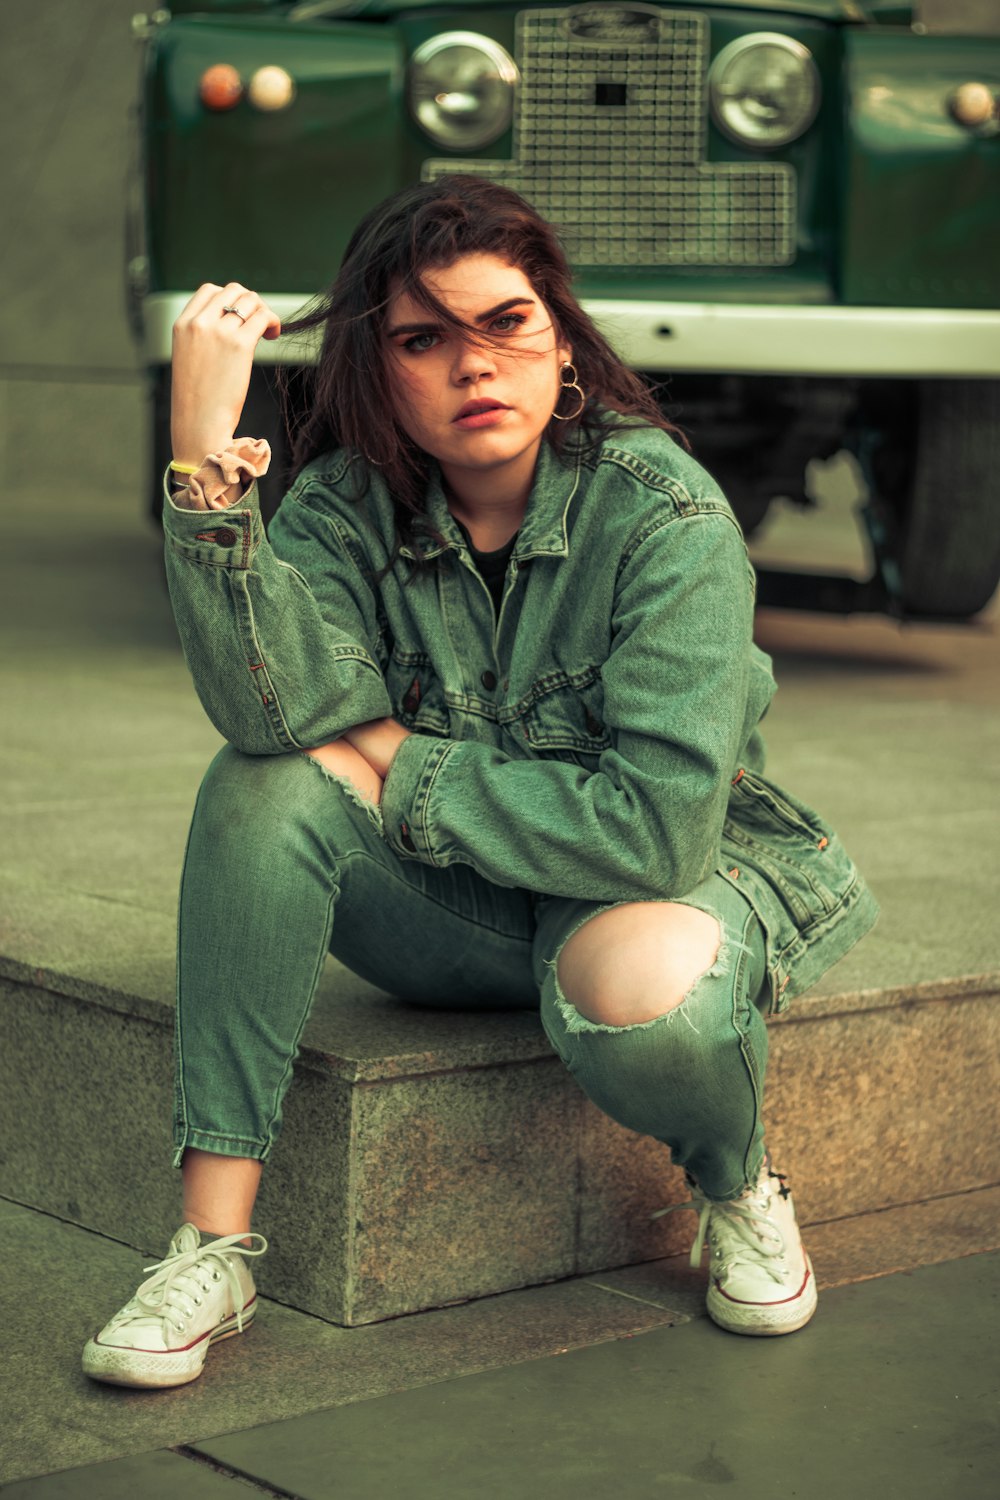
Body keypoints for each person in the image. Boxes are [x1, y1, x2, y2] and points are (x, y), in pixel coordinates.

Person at [82, 176, 877, 1388]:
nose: (473, 366)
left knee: (642, 988)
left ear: (562, 341)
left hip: (634, 904)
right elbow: (264, 714)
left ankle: (738, 1183)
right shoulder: (346, 507)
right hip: (456, 915)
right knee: (259, 785)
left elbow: (655, 835)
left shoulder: (664, 516)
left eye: (504, 322)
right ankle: (211, 1245)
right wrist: (204, 462)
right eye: (422, 339)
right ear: (378, 372)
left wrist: (392, 751)